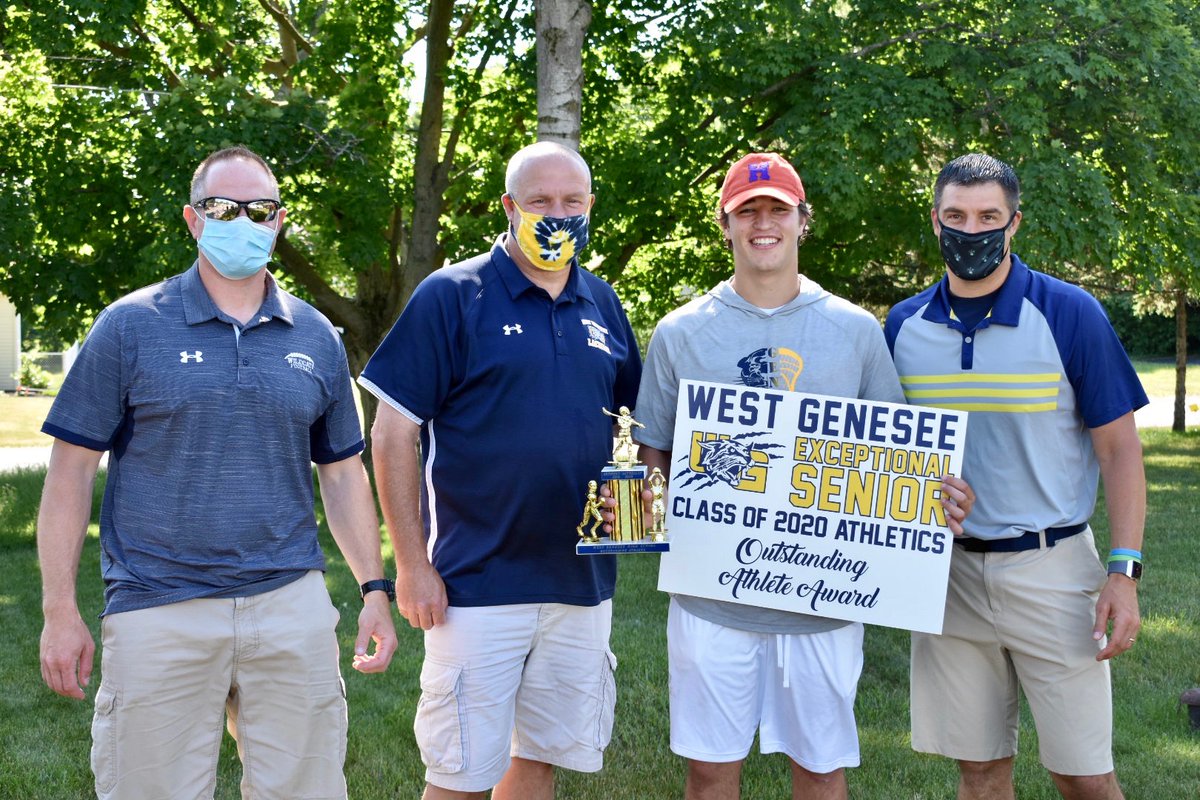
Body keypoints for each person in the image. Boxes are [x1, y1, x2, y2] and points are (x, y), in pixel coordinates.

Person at [37, 145, 397, 799]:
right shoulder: (129, 326)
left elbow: (343, 476)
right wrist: (60, 610)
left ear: (279, 221)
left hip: (290, 605)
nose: (242, 221)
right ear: (192, 219)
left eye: (258, 209)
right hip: (159, 607)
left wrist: (375, 589)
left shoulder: (315, 335)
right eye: (222, 207)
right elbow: (69, 475)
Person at [631, 152, 972, 800]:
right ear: (724, 224)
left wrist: (938, 498)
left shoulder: (853, 330)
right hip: (713, 598)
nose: (764, 224)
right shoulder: (680, 333)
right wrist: (651, 504)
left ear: (801, 221)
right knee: (708, 774)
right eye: (747, 212)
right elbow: (654, 455)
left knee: (820, 773)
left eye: (777, 211)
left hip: (825, 602)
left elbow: (892, 462)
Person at [359, 141, 641, 800]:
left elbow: (633, 426)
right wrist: (410, 564)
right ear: (510, 207)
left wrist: (632, 511)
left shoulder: (602, 303)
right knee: (459, 775)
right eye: (541, 201)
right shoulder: (452, 295)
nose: (558, 214)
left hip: (581, 581)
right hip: (475, 581)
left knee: (537, 759)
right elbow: (393, 432)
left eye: (572, 202)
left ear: (590, 208)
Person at [885, 153, 1146, 800]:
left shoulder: (1069, 312)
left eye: (988, 217)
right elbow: (888, 457)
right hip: (947, 578)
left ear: (1014, 223)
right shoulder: (902, 326)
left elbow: (1119, 451)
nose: (970, 231)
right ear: (936, 221)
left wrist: (1124, 571)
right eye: (956, 216)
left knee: (1082, 775)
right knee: (978, 771)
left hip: (1052, 569)